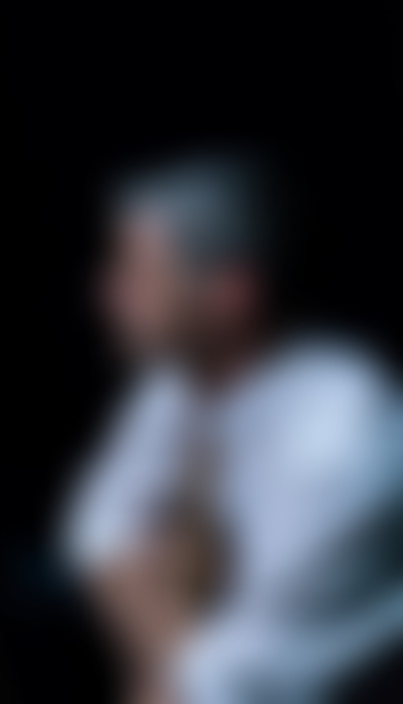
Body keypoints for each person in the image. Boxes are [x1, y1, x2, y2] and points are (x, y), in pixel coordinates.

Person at [63, 149, 403, 704]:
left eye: (138, 271)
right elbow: (95, 533)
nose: (108, 294)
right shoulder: (172, 391)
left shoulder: (341, 428)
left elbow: (252, 669)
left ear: (232, 294)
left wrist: (177, 653)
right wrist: (180, 649)